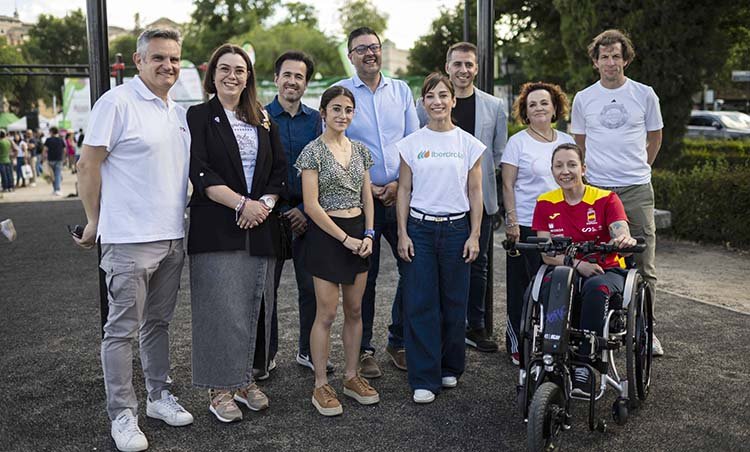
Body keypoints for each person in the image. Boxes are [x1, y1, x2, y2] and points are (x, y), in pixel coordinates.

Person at [75, 29, 194, 452]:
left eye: (174, 59)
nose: (168, 66)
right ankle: (123, 414)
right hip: (128, 240)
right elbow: (87, 165)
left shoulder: (178, 112)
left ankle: (159, 396)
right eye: (158, 58)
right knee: (121, 330)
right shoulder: (116, 103)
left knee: (158, 325)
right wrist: (94, 221)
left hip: (172, 237)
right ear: (138, 60)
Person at [187, 44, 287, 423]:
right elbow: (200, 171)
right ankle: (220, 389)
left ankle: (245, 381)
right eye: (225, 69)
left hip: (260, 224)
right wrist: (240, 205)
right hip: (217, 225)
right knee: (219, 309)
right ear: (212, 75)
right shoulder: (198, 116)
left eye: (240, 70)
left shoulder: (261, 117)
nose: (233, 76)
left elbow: (279, 168)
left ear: (249, 77)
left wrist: (263, 204)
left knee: (256, 306)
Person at [570, 29, 664, 356]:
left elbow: (655, 137)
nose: (611, 62)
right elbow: (579, 145)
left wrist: (640, 168)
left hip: (636, 187)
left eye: (616, 56)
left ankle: (646, 331)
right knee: (597, 256)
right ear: (595, 62)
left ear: (626, 59)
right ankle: (596, 325)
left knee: (642, 260)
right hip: (596, 190)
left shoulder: (644, 94)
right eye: (604, 57)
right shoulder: (584, 99)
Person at [335, 26, 420, 377]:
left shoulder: (401, 91)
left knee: (413, 269)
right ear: (351, 55)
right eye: (361, 49)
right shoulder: (340, 93)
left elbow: (414, 142)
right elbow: (334, 144)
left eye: (375, 47)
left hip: (401, 197)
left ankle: (398, 340)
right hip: (361, 199)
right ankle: (365, 349)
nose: (370, 53)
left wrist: (400, 183)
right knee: (363, 279)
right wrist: (364, 186)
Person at [396, 73, 484, 403]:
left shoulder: (468, 144)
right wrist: (403, 232)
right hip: (419, 228)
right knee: (420, 303)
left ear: (453, 100)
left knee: (453, 302)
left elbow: (475, 192)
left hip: (456, 230)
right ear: (423, 103)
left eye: (443, 95)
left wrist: (475, 235)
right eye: (430, 96)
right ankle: (423, 377)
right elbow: (404, 190)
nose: (437, 101)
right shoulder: (412, 144)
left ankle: (450, 367)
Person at [416, 41, 507, 353]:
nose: (463, 70)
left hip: (479, 198)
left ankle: (476, 325)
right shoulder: (426, 105)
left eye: (469, 64)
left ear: (477, 68)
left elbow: (497, 153)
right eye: (457, 64)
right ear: (448, 66)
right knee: (440, 265)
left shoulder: (494, 107)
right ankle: (444, 326)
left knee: (478, 264)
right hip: (440, 198)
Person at [296, 85, 379, 416]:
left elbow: (368, 197)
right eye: (336, 109)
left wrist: (370, 233)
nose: (342, 115)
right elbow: (311, 206)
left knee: (356, 310)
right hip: (327, 237)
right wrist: (344, 239)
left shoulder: (360, 151)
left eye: (348, 109)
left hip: (360, 234)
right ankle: (320, 384)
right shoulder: (312, 152)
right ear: (323, 113)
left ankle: (350, 376)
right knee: (327, 313)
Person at [531, 142, 637, 394]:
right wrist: (578, 264)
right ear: (552, 170)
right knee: (546, 288)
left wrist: (623, 239)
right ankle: (550, 356)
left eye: (571, 164)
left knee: (595, 289)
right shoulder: (545, 202)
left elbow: (620, 230)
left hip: (606, 269)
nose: (565, 171)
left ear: (583, 168)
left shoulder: (606, 199)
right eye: (558, 166)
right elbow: (548, 254)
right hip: (567, 268)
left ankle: (585, 364)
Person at [255, 50, 332, 379]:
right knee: (264, 290)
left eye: (299, 76)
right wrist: (280, 208)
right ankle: (265, 355)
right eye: (287, 75)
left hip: (307, 214)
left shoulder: (316, 121)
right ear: (276, 79)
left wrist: (303, 210)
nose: (292, 81)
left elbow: (325, 168)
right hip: (270, 214)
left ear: (306, 83)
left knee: (311, 288)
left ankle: (307, 350)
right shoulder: (259, 117)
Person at [501, 81, 575, 366]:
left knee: (556, 287)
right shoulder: (517, 142)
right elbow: (508, 186)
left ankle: (553, 342)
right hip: (527, 226)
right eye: (532, 104)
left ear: (555, 107)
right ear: (525, 112)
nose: (539, 108)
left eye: (544, 102)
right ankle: (518, 344)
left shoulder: (565, 142)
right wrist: (512, 222)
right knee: (522, 288)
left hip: (560, 227)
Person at [43, 127, 65, 196]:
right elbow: (64, 150)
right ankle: (57, 190)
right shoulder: (60, 140)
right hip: (59, 159)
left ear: (52, 132)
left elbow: (45, 150)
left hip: (50, 159)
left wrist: (44, 158)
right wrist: (64, 158)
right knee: (57, 174)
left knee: (52, 175)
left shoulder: (48, 140)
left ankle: (55, 189)